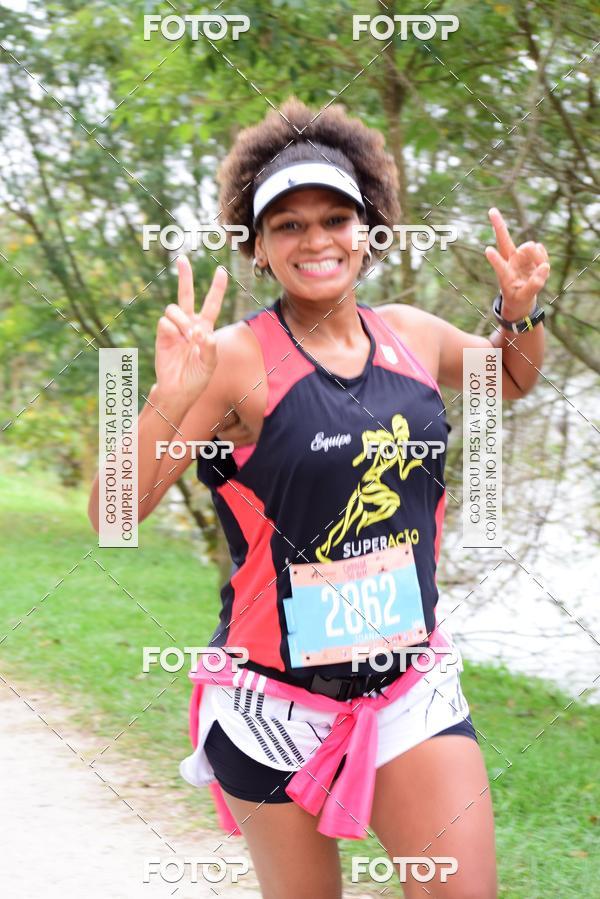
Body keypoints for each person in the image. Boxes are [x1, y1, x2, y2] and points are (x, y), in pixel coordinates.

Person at [88, 97, 549, 899]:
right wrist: (171, 395)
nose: (315, 239)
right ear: (259, 247)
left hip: (411, 685)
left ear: (368, 231)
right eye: (288, 224)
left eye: (334, 217)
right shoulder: (232, 359)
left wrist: (520, 313)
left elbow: (506, 378)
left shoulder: (414, 334)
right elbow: (114, 514)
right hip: (273, 702)